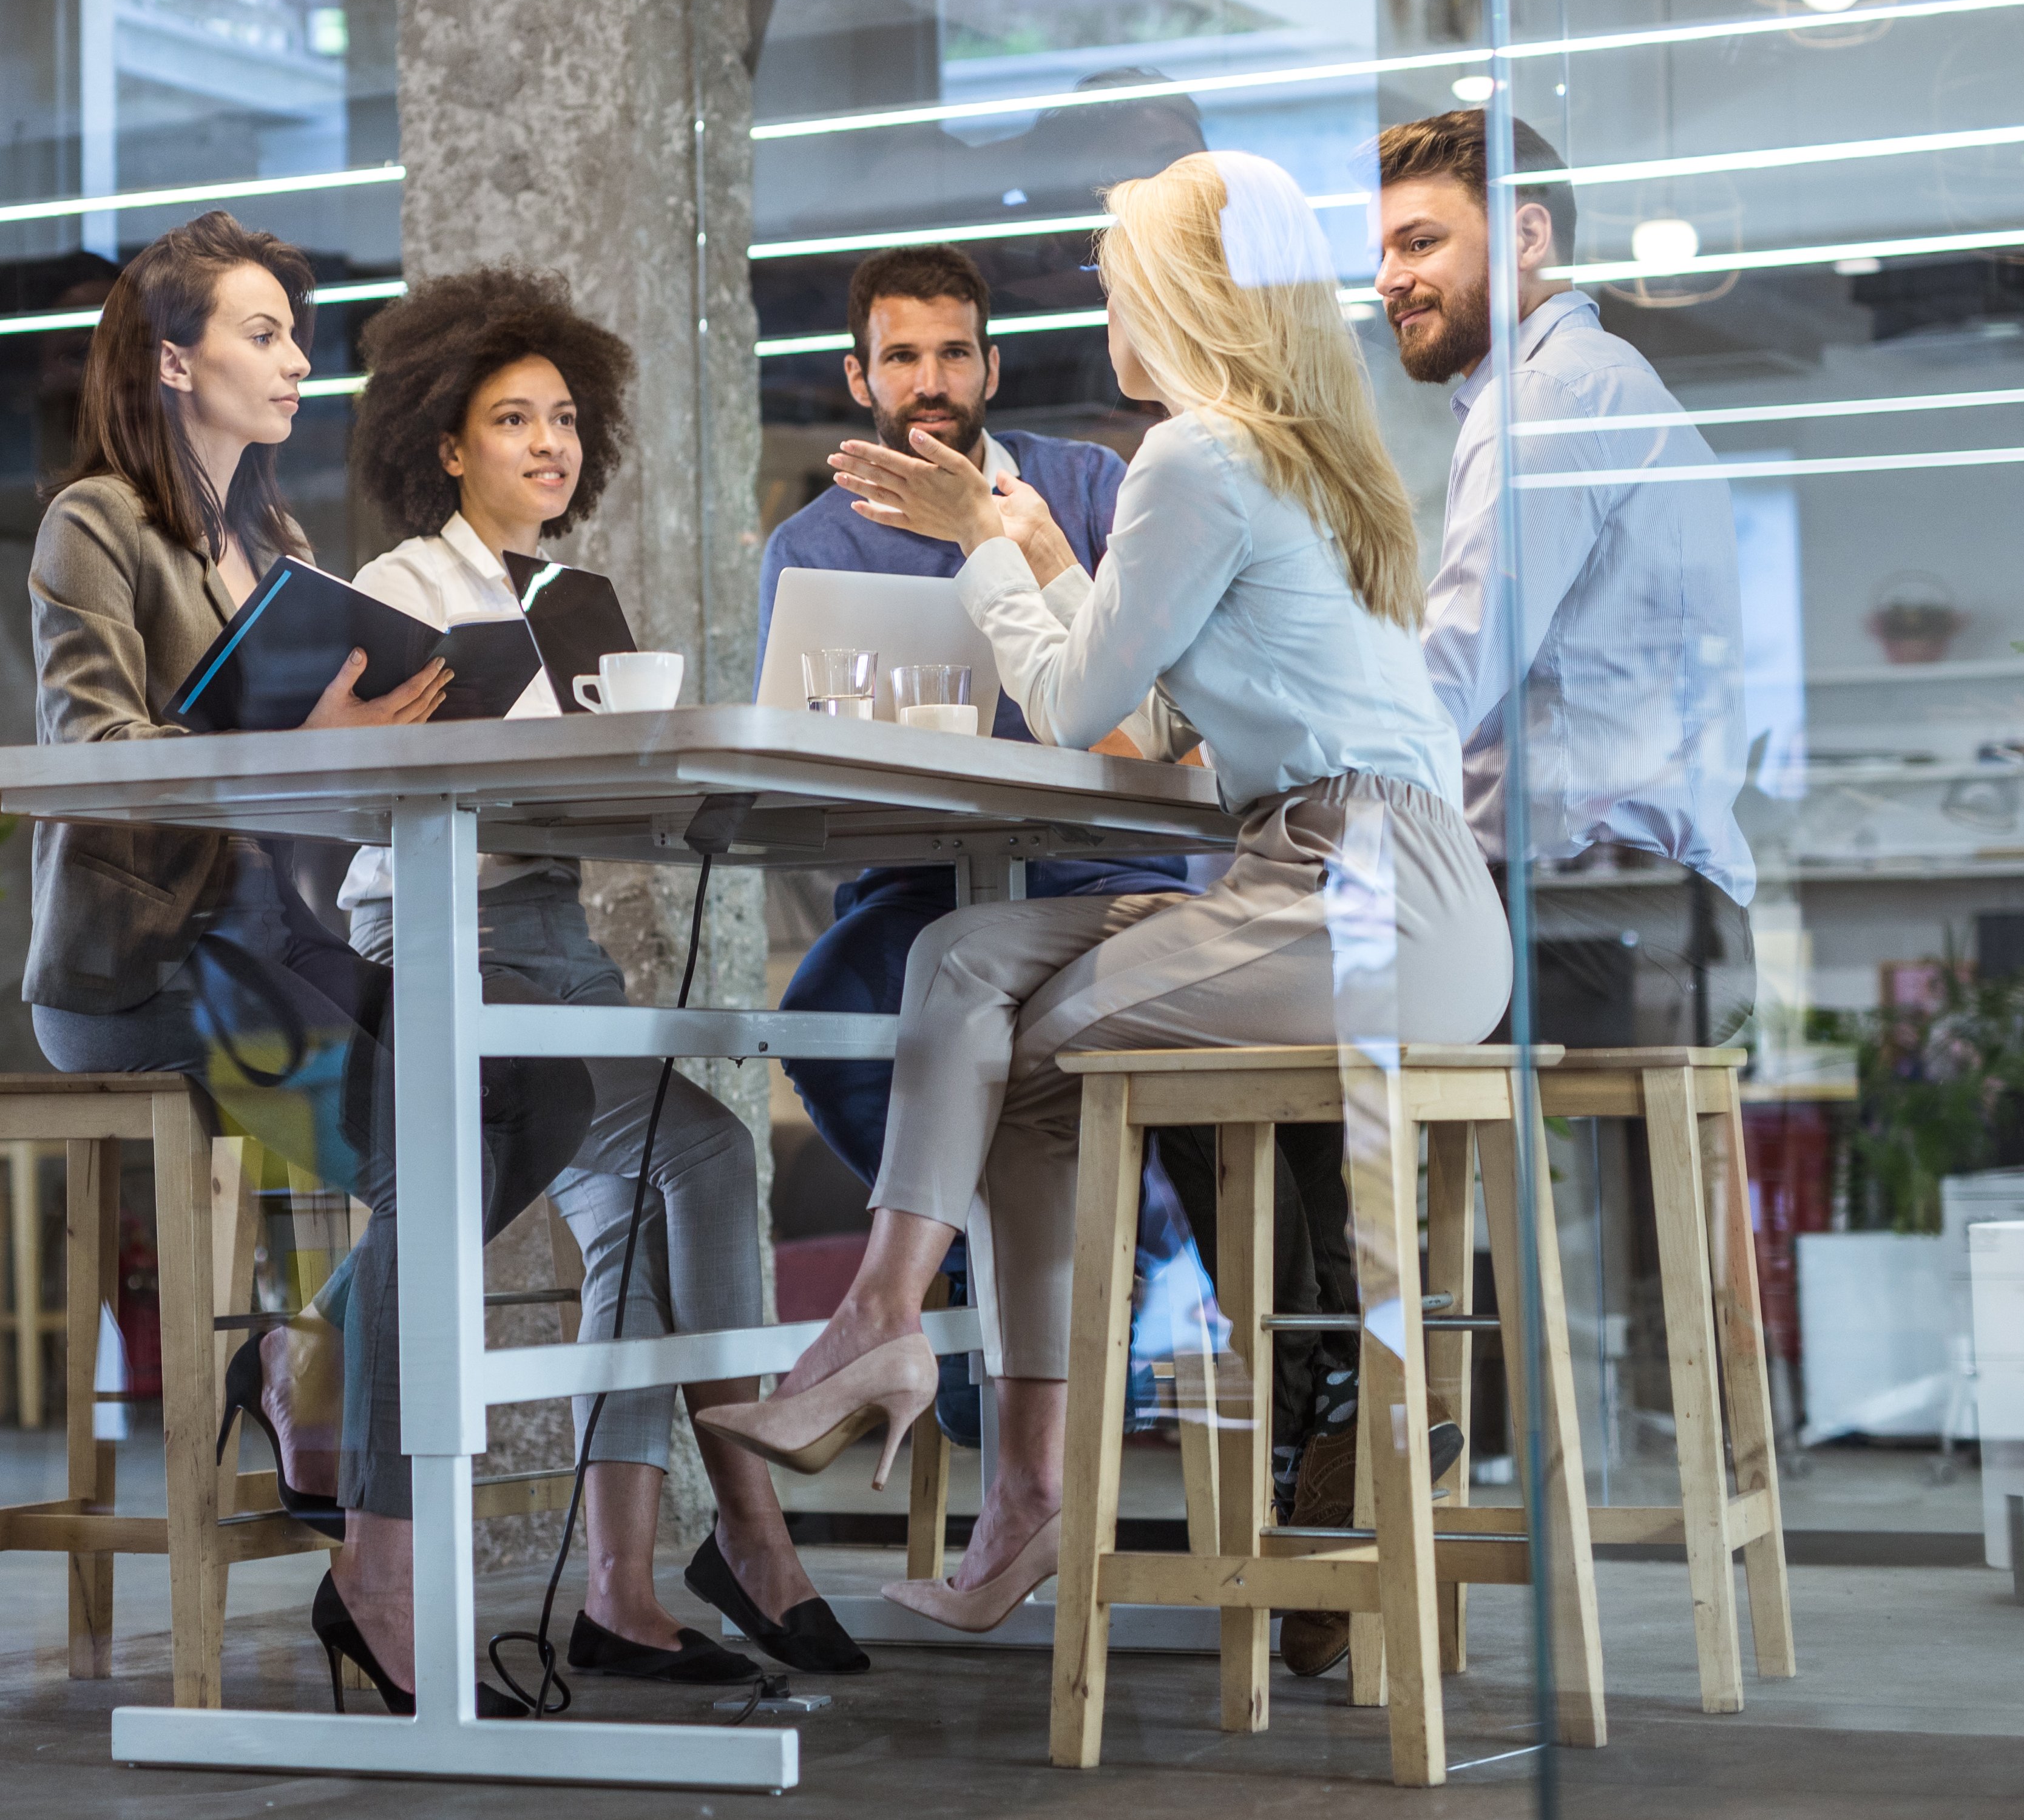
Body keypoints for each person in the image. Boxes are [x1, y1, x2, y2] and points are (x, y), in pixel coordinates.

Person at [699, 151, 1509, 1636]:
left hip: (1355, 896)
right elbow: (1141, 700)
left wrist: (983, 545)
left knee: (997, 1048)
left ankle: (980, 1438)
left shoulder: (1193, 457)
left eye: (1119, 271)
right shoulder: (1290, 454)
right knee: (961, 956)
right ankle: (896, 1337)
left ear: (1177, 294)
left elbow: (1078, 711)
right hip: (1357, 880)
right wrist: (1019, 548)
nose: (1105, 299)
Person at [18, 208, 593, 1721]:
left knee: (545, 1092)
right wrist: (294, 744)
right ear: (170, 360)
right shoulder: (97, 521)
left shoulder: (278, 546)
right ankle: (385, 1572)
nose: (293, 359)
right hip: (142, 973)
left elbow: (305, 791)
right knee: (425, 1152)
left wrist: (398, 744)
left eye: (294, 334)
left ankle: (305, 1353)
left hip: (275, 946)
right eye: (261, 332)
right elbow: (94, 755)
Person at [336, 269, 855, 1686]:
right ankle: (728, 1528)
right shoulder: (399, 586)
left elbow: (591, 801)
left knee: (677, 1162)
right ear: (449, 448)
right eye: (513, 421)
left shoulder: (581, 596)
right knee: (684, 1155)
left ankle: (636, 1578)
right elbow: (380, 789)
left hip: (558, 942)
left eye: (564, 419)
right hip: (442, 936)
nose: (549, 445)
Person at [757, 244, 1195, 1185]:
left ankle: (1114, 1274)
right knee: (828, 1029)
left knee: (1126, 1076)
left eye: (955, 354)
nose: (931, 382)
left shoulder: (1082, 487)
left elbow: (1167, 714)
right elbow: (799, 767)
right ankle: (971, 1259)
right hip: (915, 885)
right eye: (902, 357)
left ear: (992, 367)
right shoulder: (810, 545)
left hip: (1100, 868)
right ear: (859, 375)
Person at [1375, 109, 1758, 1037]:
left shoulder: (1546, 397)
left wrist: (1322, 754)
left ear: (1528, 235)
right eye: (1383, 253)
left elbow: (1455, 670)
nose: (1389, 280)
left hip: (1584, 907)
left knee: (1280, 1038)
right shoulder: (1599, 382)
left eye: (1420, 242)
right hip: (1656, 907)